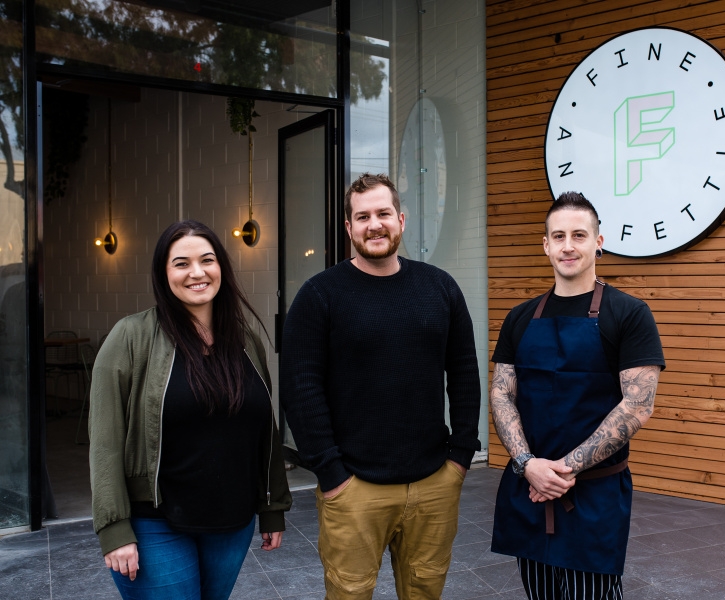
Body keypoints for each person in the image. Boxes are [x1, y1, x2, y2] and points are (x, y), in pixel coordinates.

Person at [280, 173, 481, 599]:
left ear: (401, 220)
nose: (375, 224)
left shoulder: (440, 287)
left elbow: (463, 372)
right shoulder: (320, 295)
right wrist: (331, 474)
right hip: (355, 488)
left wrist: (460, 456)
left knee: (426, 591)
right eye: (363, 216)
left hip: (433, 484)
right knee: (349, 592)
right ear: (349, 228)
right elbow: (301, 388)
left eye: (383, 213)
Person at [89, 220, 292, 600]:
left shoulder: (244, 338)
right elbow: (105, 444)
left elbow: (264, 431)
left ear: (222, 269)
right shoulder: (130, 337)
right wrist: (113, 528)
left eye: (207, 260)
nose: (196, 272)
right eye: (181, 263)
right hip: (154, 520)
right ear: (163, 274)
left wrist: (271, 505)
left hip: (232, 520)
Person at [490, 192, 665, 600]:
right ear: (546, 245)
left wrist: (563, 470)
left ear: (598, 242)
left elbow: (638, 404)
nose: (568, 245)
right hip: (529, 488)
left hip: (594, 495)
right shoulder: (520, 317)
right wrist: (527, 464)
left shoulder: (628, 313)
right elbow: (501, 395)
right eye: (559, 236)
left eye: (579, 235)